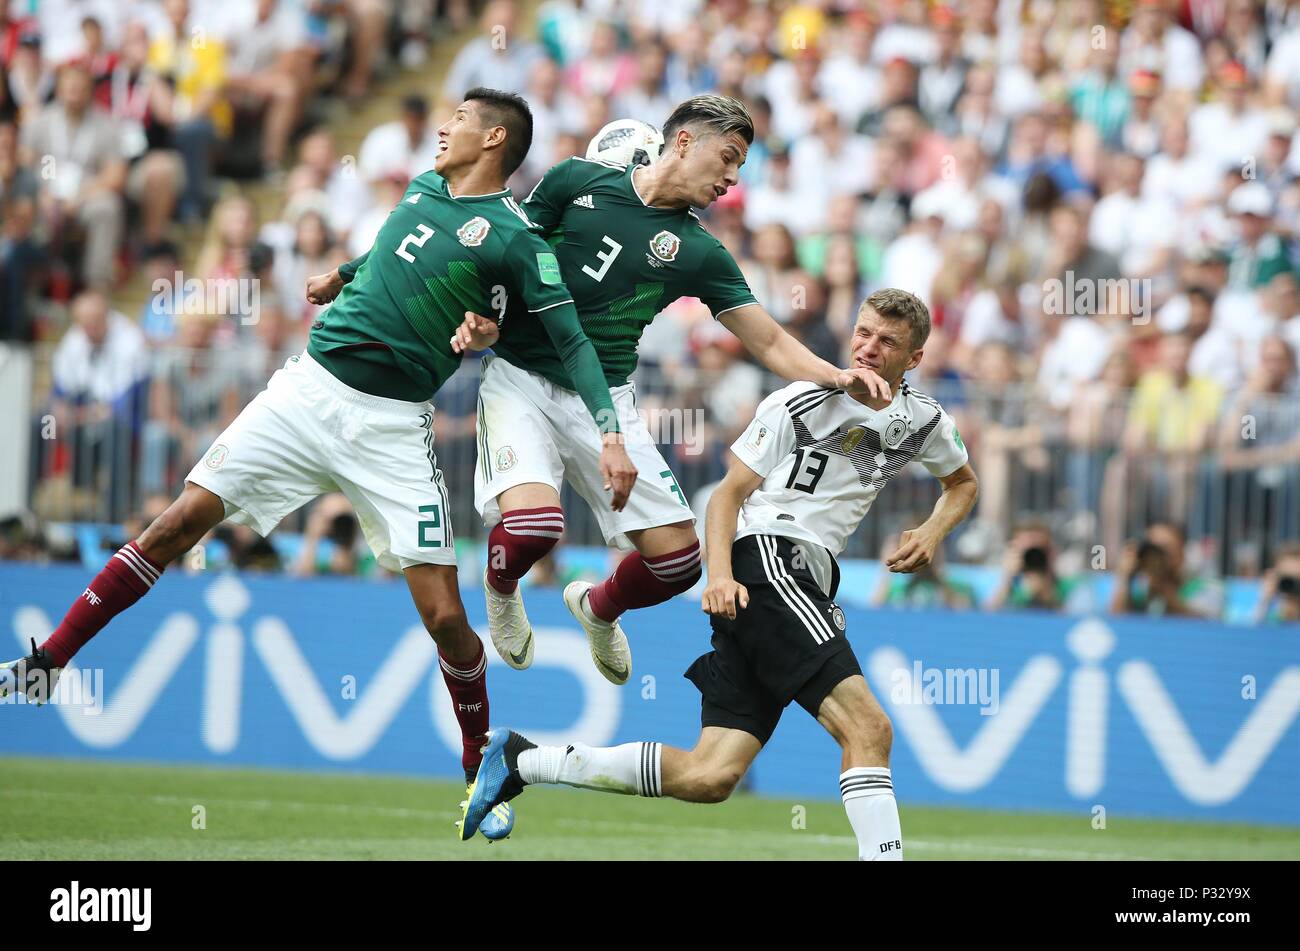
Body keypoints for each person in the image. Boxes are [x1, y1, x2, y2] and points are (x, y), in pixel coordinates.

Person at [1, 89, 637, 844]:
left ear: (494, 138)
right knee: (176, 523)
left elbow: (566, 338)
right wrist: (342, 274)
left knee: (445, 621)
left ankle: (480, 771)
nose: (443, 125)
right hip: (307, 391)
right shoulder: (425, 185)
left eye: (460, 119)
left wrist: (608, 430)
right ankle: (49, 662)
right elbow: (396, 249)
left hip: (392, 430)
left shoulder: (514, 238)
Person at [460, 288, 979, 860]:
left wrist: (931, 533)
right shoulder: (802, 400)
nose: (869, 348)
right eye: (863, 333)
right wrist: (720, 575)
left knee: (709, 775)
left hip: (801, 578)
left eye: (888, 342)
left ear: (915, 358)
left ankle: (519, 760)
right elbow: (727, 497)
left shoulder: (924, 419)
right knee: (869, 729)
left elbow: (963, 483)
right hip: (770, 562)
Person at [450, 95, 889, 687]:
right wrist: (482, 317)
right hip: (521, 379)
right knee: (535, 528)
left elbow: (767, 341)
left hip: (605, 394)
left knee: (680, 563)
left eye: (742, 167)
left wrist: (837, 376)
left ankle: (598, 607)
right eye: (728, 158)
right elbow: (506, 255)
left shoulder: (700, 251)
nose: (733, 178)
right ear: (683, 142)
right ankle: (501, 587)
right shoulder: (574, 180)